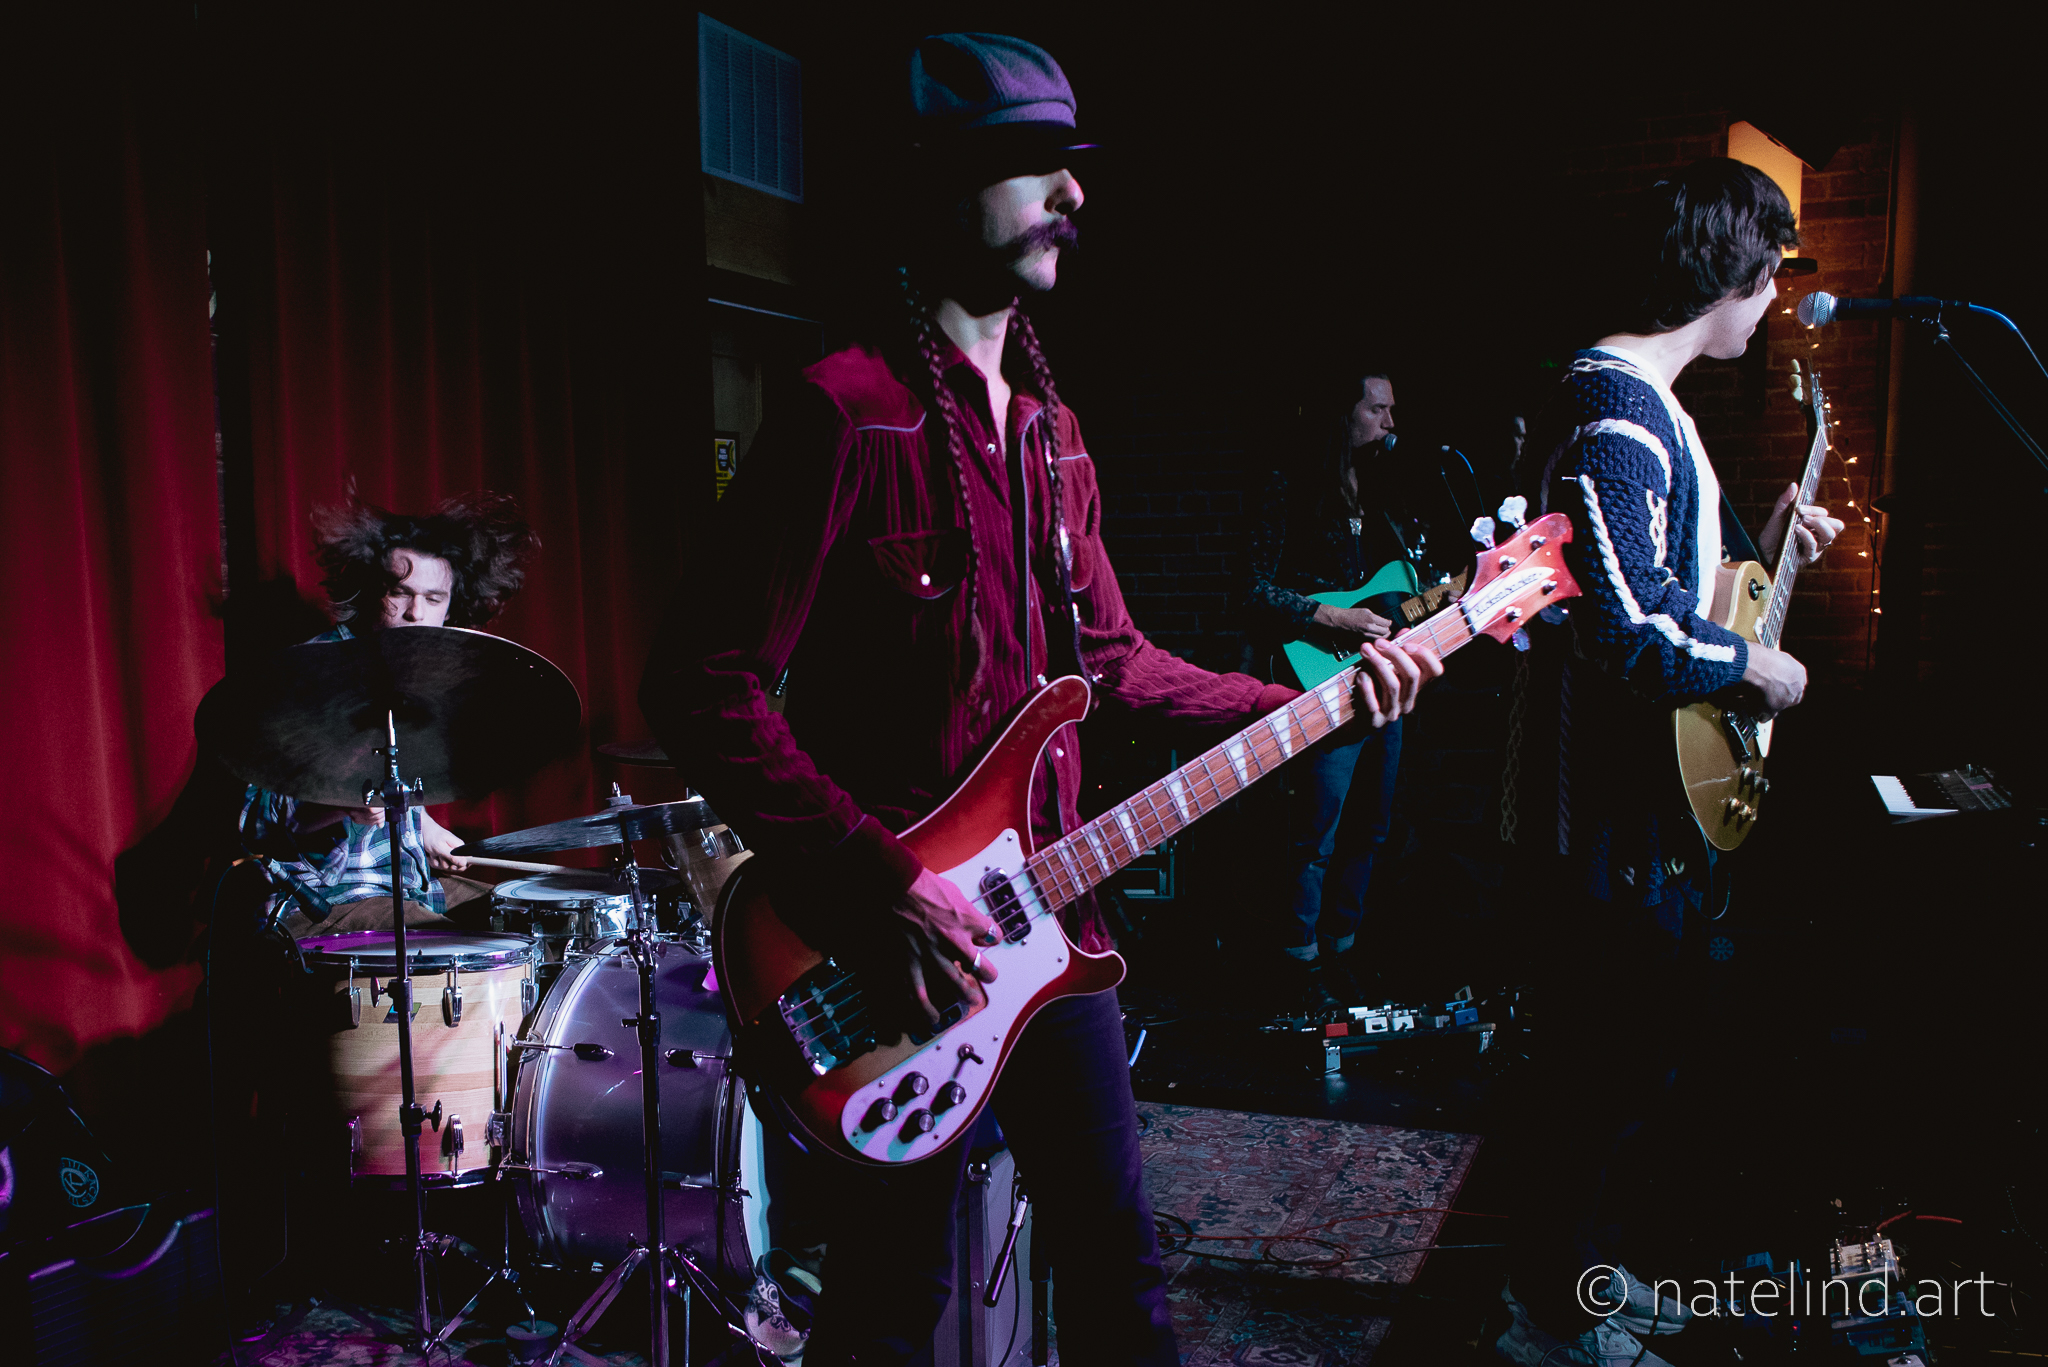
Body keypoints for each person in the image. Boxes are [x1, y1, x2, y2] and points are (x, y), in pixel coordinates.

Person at [641, 34, 1438, 1365]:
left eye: (1072, 166)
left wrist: (1319, 700)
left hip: (1056, 923)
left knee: (1117, 1269)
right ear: (940, 185)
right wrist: (878, 880)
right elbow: (700, 677)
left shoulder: (1058, 437)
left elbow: (1116, 665)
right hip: (892, 945)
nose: (1073, 194)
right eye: (1031, 163)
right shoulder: (848, 414)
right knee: (891, 1300)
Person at [1493, 160, 1842, 1366]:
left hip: (1641, 820)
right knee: (1595, 1076)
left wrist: (1772, 547)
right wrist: (1757, 670)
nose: (1770, 306)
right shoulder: (1612, 405)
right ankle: (1547, 1318)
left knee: (1629, 1067)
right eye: (1771, 279)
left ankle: (1586, 1278)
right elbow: (1628, 629)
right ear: (1734, 275)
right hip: (1605, 821)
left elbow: (1672, 586)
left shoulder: (1648, 407)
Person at [237, 491, 539, 936]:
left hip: (412, 887)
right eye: (401, 593)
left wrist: (424, 824)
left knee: (526, 921)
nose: (417, 613)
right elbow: (257, 822)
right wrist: (343, 804)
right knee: (448, 941)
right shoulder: (312, 672)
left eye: (434, 599)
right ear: (372, 589)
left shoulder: (424, 677)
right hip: (327, 898)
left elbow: (392, 776)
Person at [1246, 374, 1449, 1016]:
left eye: (1395, 407)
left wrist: (1464, 590)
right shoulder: (1293, 485)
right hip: (1321, 679)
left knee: (1373, 826)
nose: (1391, 420)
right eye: (1377, 407)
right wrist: (1336, 620)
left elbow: (1401, 599)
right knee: (1316, 832)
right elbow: (1249, 590)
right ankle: (1298, 961)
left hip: (1380, 686)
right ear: (1344, 412)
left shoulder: (1389, 500)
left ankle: (1343, 951)